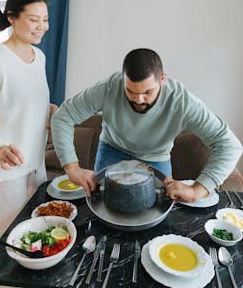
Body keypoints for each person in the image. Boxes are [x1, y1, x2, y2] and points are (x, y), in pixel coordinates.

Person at [51, 48, 242, 202]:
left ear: (162, 80)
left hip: (156, 158)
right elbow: (63, 116)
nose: (139, 100)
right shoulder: (109, 87)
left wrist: (198, 190)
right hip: (112, 149)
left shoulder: (183, 102)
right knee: (104, 207)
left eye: (147, 92)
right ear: (123, 79)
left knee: (155, 215)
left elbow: (230, 146)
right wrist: (72, 168)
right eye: (130, 91)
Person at [0, 0, 57, 255]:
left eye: (45, 19)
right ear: (12, 17)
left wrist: (49, 110)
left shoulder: (39, 58)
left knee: (32, 241)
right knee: (3, 246)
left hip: (35, 164)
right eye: (34, 19)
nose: (42, 27)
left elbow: (24, 103)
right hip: (5, 171)